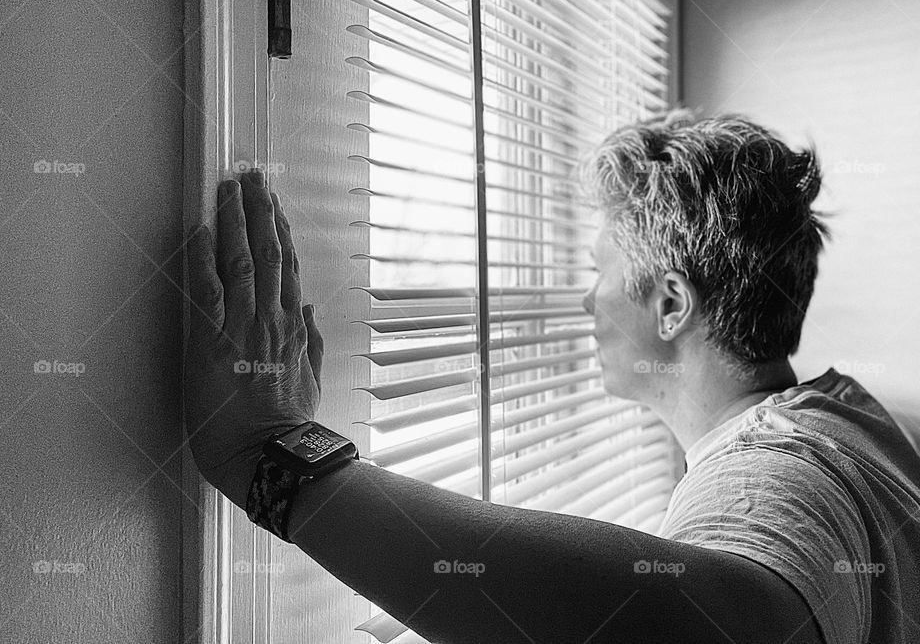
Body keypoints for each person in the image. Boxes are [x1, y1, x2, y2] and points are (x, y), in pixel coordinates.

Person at [183, 110, 920, 644]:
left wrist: (275, 453)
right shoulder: (846, 414)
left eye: (599, 270)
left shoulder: (771, 475)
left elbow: (705, 628)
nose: (585, 298)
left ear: (670, 304)